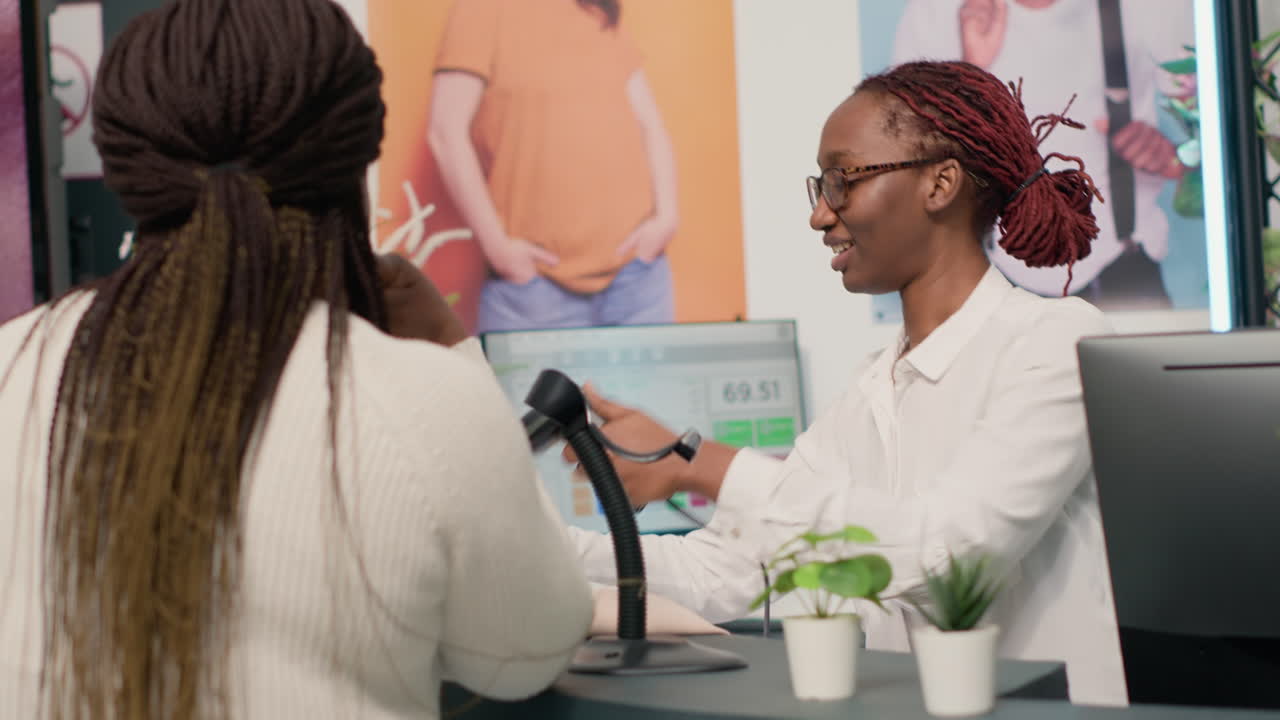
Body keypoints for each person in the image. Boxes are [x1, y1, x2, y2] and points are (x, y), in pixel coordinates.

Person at [0, 1, 591, 718]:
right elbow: (529, 650)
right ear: (354, 163)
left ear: (128, 163)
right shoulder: (421, 402)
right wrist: (454, 356)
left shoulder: (12, 365)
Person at [566, 60, 1127, 705]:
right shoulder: (870, 394)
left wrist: (698, 464)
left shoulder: (1055, 343)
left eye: (842, 181)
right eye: (820, 186)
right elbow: (724, 572)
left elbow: (950, 552)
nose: (820, 216)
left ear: (940, 183)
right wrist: (519, 540)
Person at [892, 0, 1196, 310]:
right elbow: (907, 168)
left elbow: (1220, 136)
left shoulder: (1153, 7)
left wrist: (1177, 158)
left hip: (1126, 275)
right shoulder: (934, 12)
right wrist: (972, 70)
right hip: (985, 283)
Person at [428, 0, 679, 332]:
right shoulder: (481, 9)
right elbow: (445, 131)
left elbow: (649, 123)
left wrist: (666, 220)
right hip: (535, 289)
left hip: (638, 278)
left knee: (653, 386)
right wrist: (499, 249)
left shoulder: (597, 12)